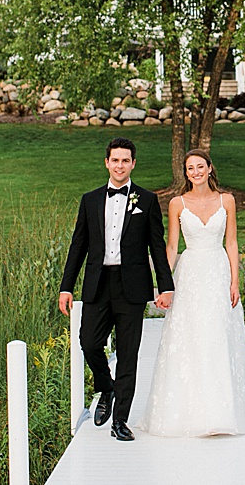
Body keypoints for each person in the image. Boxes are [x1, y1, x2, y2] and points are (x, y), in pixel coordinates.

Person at [136, 148, 245, 436]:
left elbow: (231, 243)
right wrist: (163, 284)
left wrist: (235, 281)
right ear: (186, 174)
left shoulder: (227, 200)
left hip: (218, 271)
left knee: (219, 335)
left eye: (199, 166)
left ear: (209, 168)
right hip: (191, 273)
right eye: (189, 168)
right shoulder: (177, 204)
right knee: (191, 337)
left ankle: (221, 413)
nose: (195, 172)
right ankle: (190, 413)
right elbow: (172, 247)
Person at [59, 136, 175, 442]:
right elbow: (78, 246)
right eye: (115, 160)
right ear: (106, 163)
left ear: (133, 164)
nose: (120, 165)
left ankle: (120, 420)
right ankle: (106, 388)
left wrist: (165, 287)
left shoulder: (147, 201)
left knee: (128, 355)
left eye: (126, 160)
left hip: (132, 287)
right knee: (89, 342)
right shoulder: (90, 200)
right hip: (98, 284)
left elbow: (157, 246)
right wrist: (66, 287)